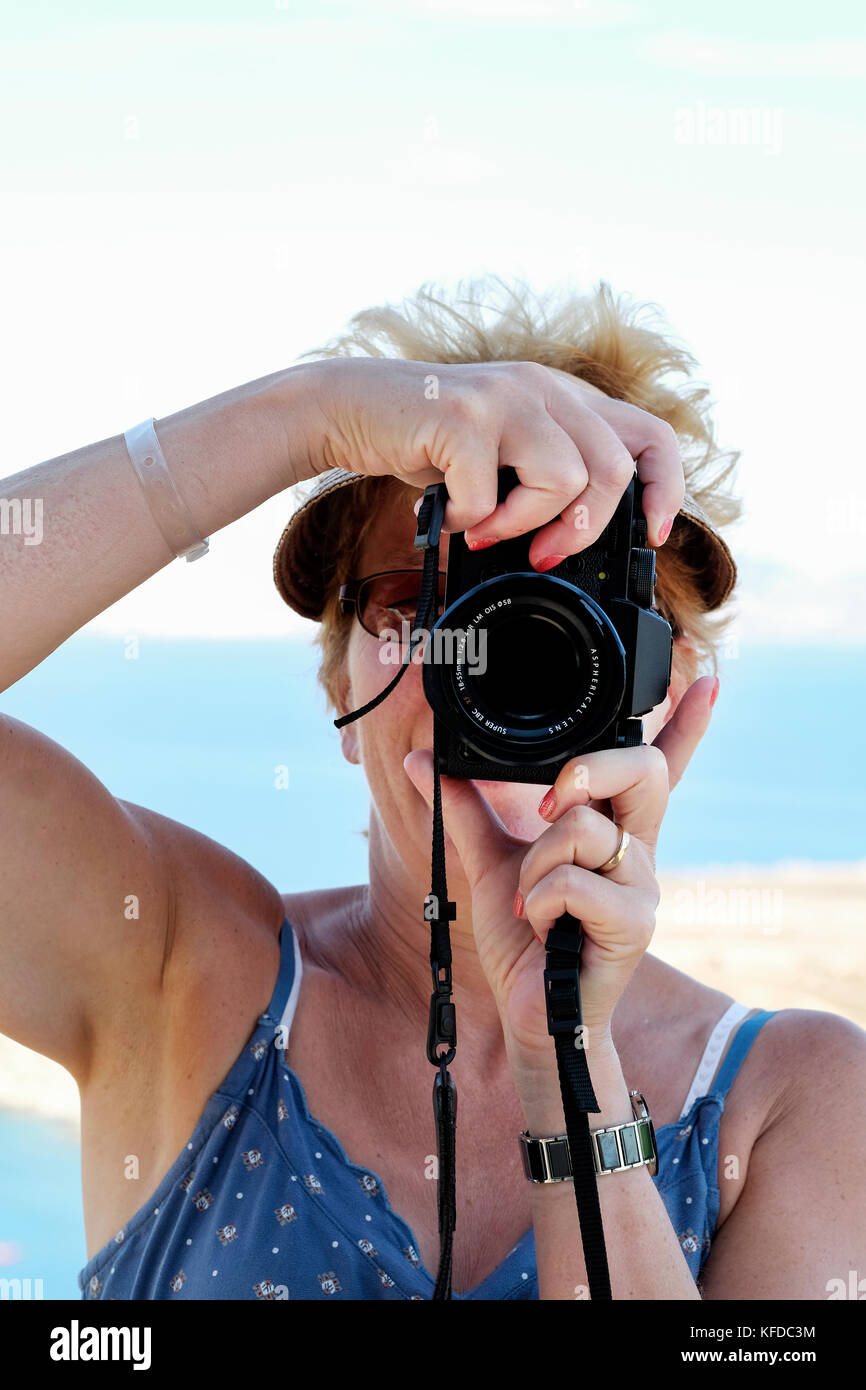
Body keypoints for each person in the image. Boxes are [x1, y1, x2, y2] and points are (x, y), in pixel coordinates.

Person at [1, 277, 863, 1302]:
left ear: (663, 684)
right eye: (422, 605)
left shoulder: (798, 1102)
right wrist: (308, 414)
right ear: (338, 680)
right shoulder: (175, 969)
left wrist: (566, 1065)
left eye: (550, 611)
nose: (487, 660)